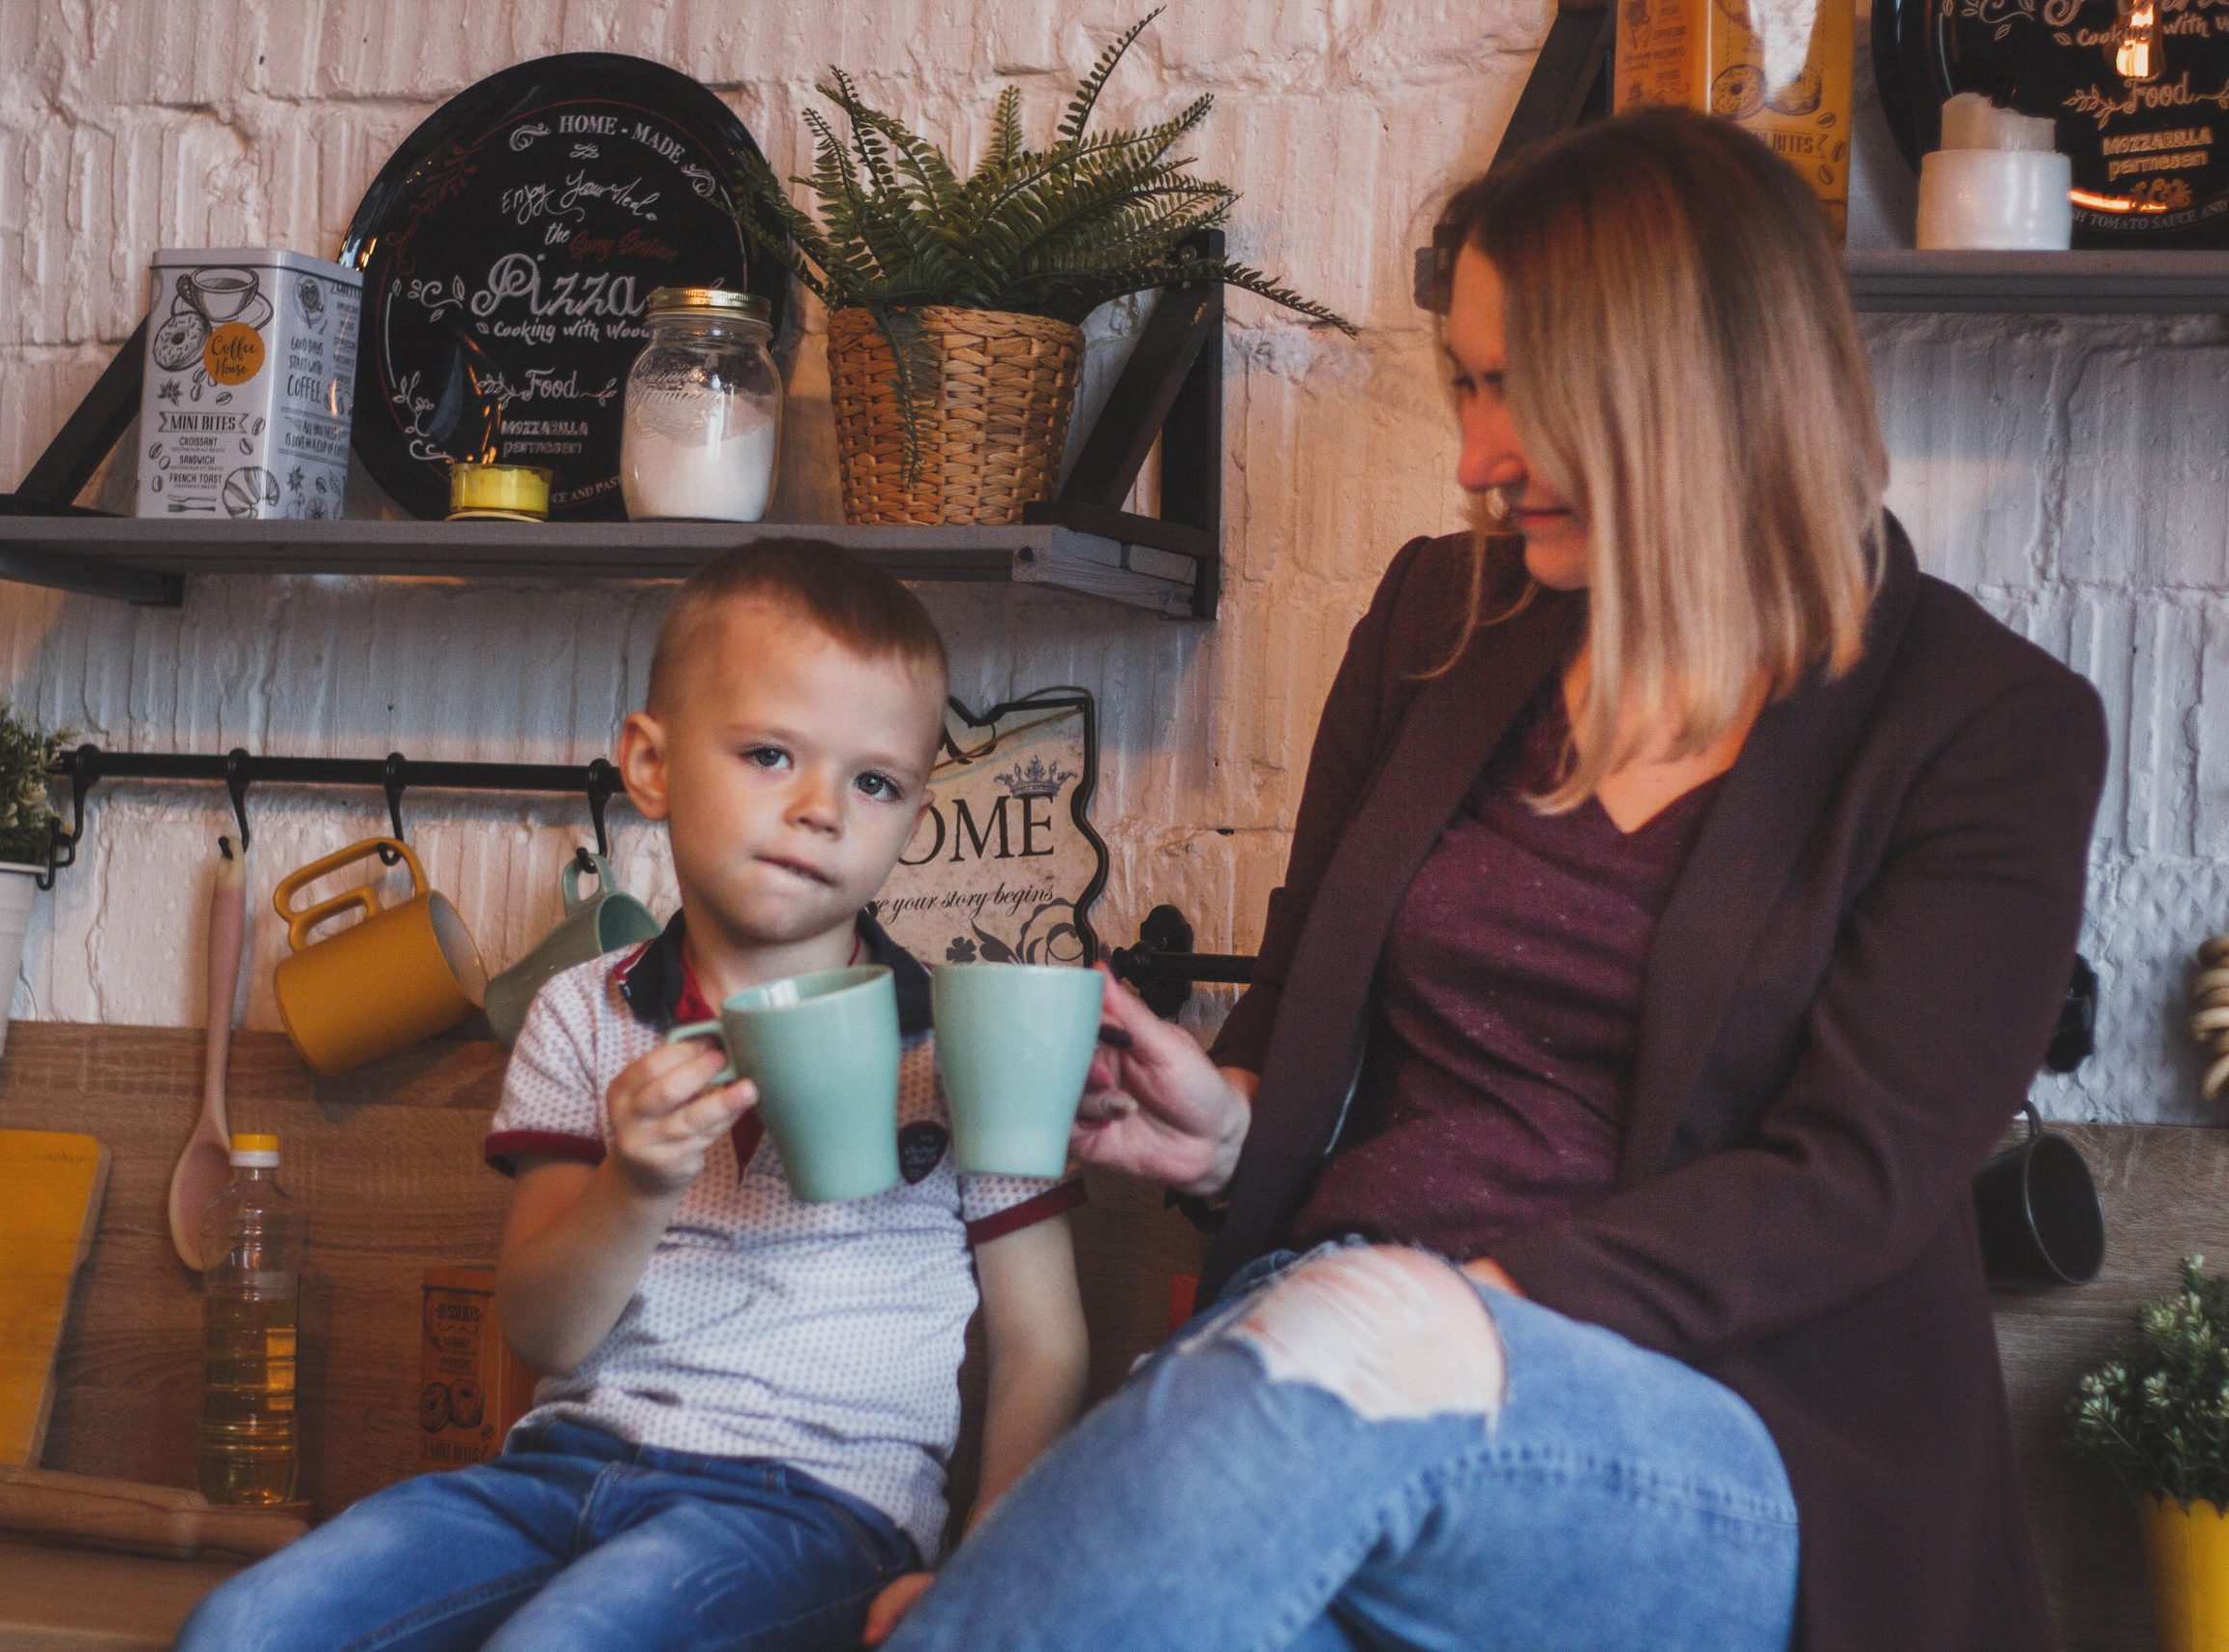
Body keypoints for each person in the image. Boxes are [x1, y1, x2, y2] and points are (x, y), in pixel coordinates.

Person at [880, 108, 2105, 1652]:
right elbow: (1344, 1049)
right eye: (1464, 381)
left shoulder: (1986, 723)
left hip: (1715, 1421)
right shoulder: (1435, 623)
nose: (1472, 455)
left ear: (1691, 376)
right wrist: (1229, 1127)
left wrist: (1447, 1301)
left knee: (1343, 1338)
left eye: (1519, 388)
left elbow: (1847, 1184)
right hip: (1318, 1366)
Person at [176, 539, 1089, 1652]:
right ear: (649, 766)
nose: (822, 811)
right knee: (242, 1627)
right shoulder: (583, 1012)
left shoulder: (961, 1035)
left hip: (813, 1509)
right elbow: (542, 1328)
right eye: (768, 753)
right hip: (554, 1480)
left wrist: (988, 1581)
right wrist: (636, 1182)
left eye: (875, 781)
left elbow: (1044, 1344)